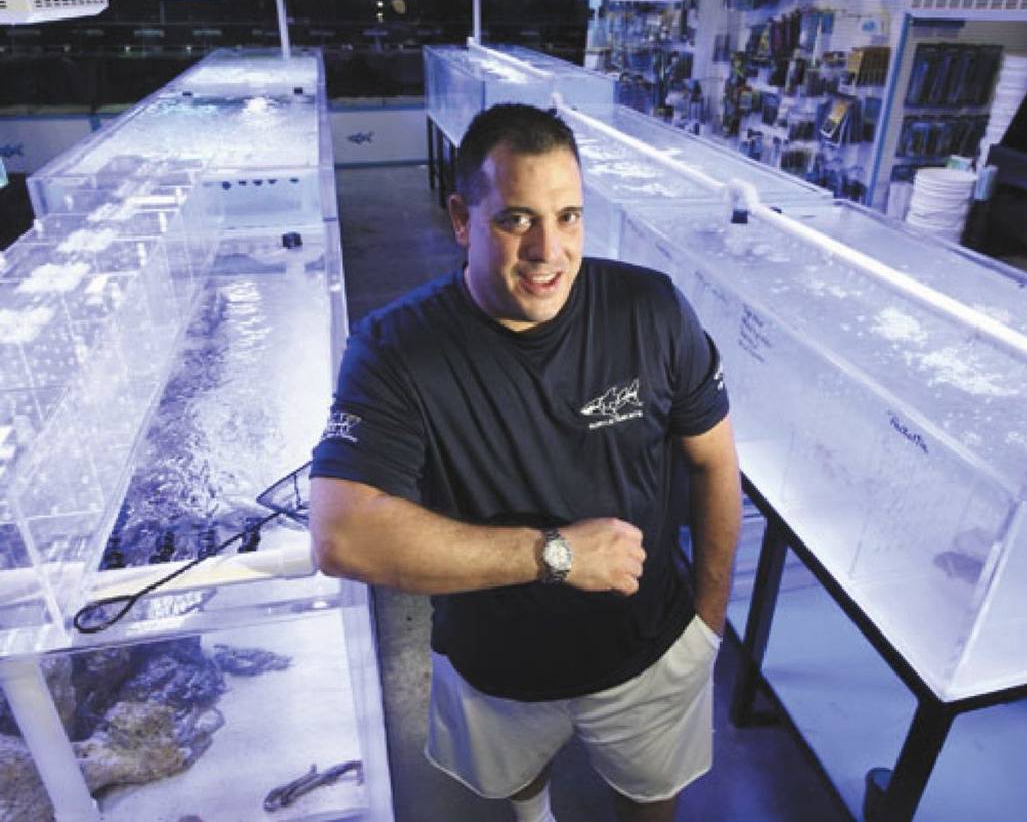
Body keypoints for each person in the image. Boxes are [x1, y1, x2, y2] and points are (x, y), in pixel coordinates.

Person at [309, 103, 741, 822]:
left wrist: (709, 621)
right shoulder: (395, 349)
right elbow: (342, 534)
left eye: (568, 216)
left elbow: (716, 463)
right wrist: (559, 554)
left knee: (650, 803)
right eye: (517, 219)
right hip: (493, 672)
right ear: (460, 218)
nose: (549, 250)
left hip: (650, 655)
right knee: (518, 785)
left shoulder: (651, 309)